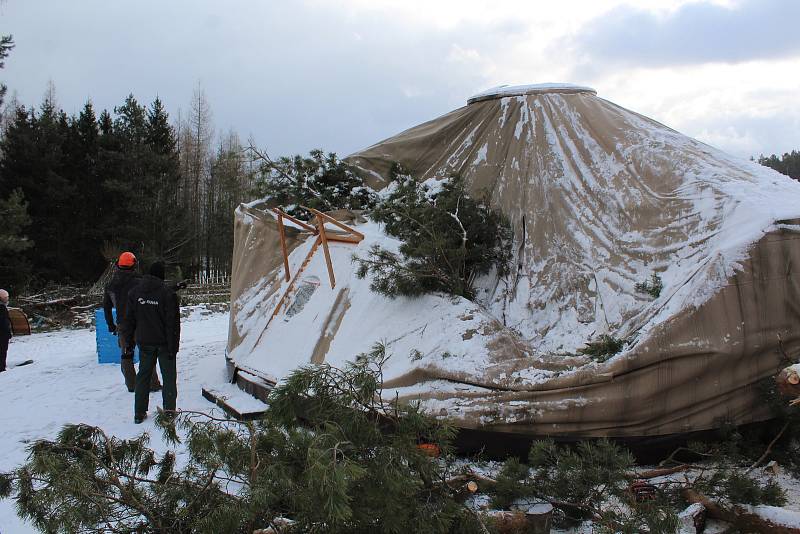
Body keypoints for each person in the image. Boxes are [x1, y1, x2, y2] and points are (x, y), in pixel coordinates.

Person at [124, 261, 181, 424]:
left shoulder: (135, 293)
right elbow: (172, 324)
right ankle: (169, 411)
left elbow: (129, 320)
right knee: (169, 377)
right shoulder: (167, 294)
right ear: (161, 276)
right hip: (164, 344)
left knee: (143, 376)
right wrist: (173, 347)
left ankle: (139, 413)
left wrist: (129, 342)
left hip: (144, 342)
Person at [103, 252, 161, 392]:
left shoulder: (110, 285)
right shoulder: (140, 282)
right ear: (134, 265)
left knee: (126, 355)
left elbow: (107, 308)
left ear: (118, 265)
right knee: (147, 353)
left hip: (123, 325)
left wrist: (111, 325)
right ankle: (152, 384)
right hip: (141, 324)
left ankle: (132, 385)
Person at [0, 289, 11, 372]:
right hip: (2, 334)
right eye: (6, 297)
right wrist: (8, 333)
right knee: (2, 351)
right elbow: (4, 323)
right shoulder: (2, 308)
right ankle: (1, 368)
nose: (7, 299)